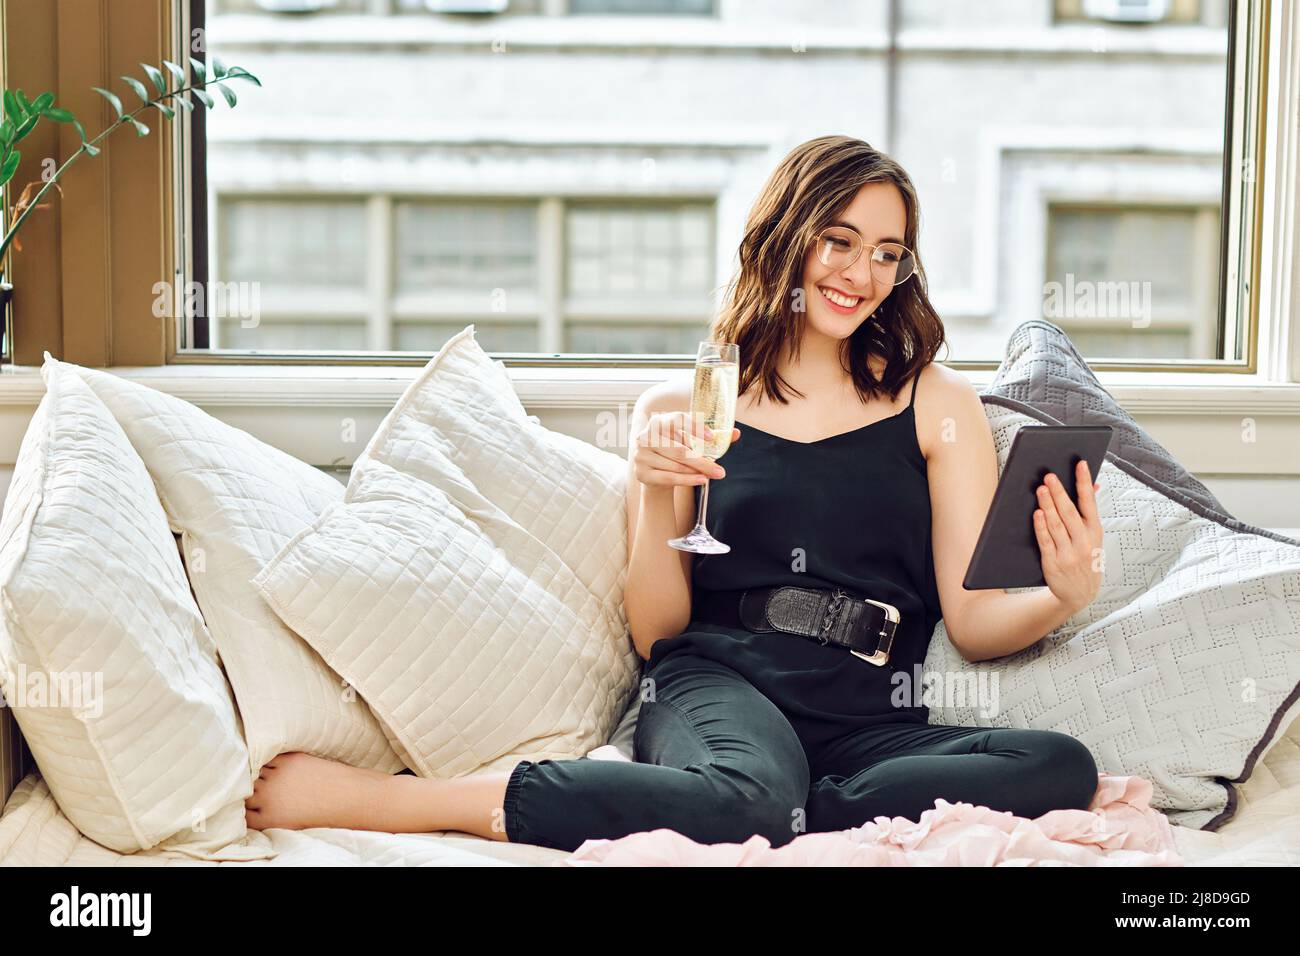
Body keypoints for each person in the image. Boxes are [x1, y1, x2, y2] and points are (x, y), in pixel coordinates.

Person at [243, 135, 1104, 851]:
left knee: (1060, 764)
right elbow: (657, 632)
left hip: (866, 719)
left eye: (887, 253)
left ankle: (786, 805)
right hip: (722, 682)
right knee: (752, 796)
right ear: (788, 237)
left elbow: (974, 623)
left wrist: (1061, 594)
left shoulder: (936, 404)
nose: (862, 272)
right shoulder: (688, 403)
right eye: (838, 240)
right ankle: (407, 801)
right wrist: (656, 493)